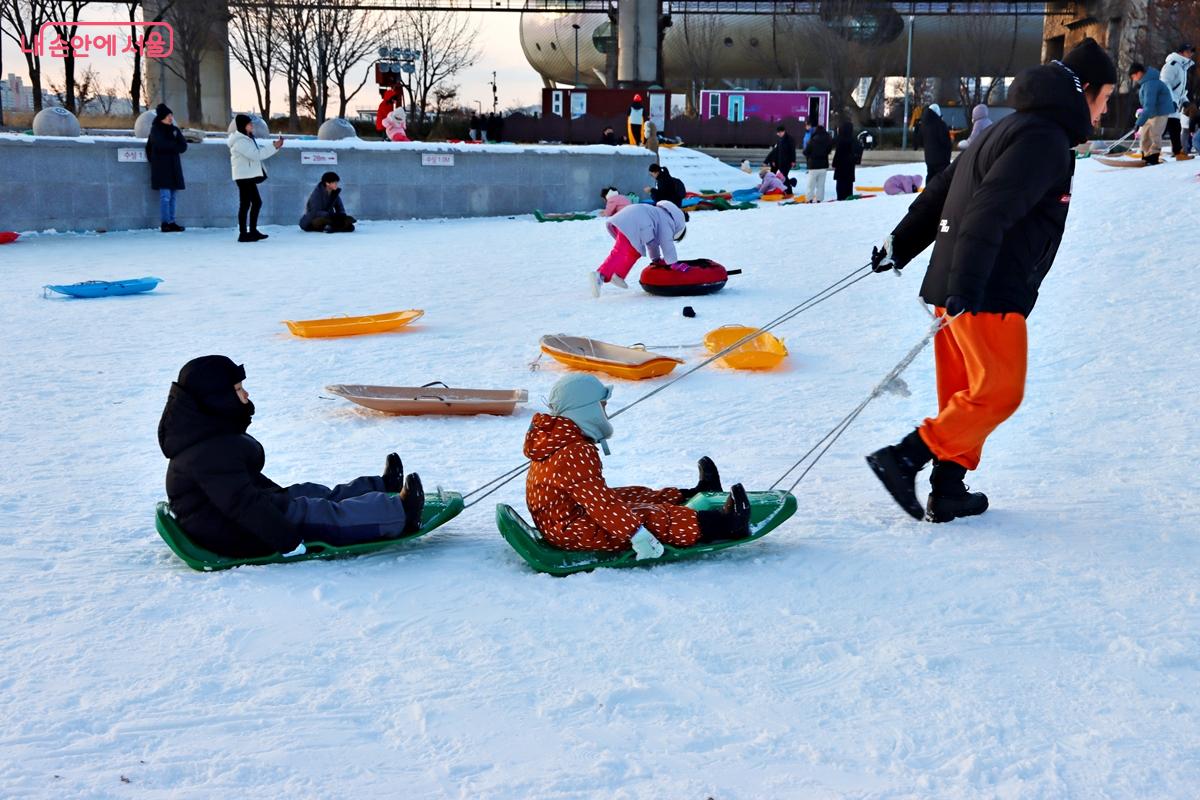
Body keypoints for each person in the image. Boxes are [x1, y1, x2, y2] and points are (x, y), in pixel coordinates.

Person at [865, 37, 1116, 523]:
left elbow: (943, 189)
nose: (1105, 110)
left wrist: (902, 244)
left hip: (955, 286)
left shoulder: (1008, 128)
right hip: (984, 289)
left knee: (965, 395)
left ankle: (948, 487)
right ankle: (905, 458)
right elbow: (988, 210)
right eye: (1105, 98)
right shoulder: (1042, 140)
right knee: (998, 392)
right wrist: (970, 287)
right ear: (1084, 90)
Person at [158, 355, 426, 559]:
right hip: (236, 533)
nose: (246, 394)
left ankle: (381, 486)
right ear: (216, 400)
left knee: (309, 492)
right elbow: (242, 505)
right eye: (238, 390)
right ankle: (399, 513)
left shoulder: (205, 435)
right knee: (318, 514)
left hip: (239, 519)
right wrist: (286, 540)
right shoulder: (207, 453)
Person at [524, 374, 751, 554]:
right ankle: (721, 524)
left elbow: (598, 498)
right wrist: (637, 535)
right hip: (572, 531)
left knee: (631, 495)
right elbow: (602, 508)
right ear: (585, 410)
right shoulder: (573, 451)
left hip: (566, 520)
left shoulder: (560, 438)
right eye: (601, 406)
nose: (605, 412)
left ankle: (692, 494)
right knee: (649, 516)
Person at [589, 200, 687, 296]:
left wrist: (656, 259)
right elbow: (667, 244)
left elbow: (652, 242)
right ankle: (600, 275)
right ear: (678, 230)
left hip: (628, 218)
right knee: (620, 251)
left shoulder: (660, 214)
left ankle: (619, 275)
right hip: (633, 222)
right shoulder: (667, 222)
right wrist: (673, 263)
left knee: (634, 252)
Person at [227, 113, 283, 243]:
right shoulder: (240, 141)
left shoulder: (247, 138)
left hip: (247, 176)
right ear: (243, 126)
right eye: (249, 123)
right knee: (246, 204)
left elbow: (257, 151)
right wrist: (274, 146)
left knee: (255, 203)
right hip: (243, 176)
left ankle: (252, 231)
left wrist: (274, 145)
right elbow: (256, 155)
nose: (252, 125)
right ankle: (243, 233)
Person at [144, 103, 187, 233]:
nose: (171, 118)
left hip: (174, 166)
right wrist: (174, 146)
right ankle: (165, 222)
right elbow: (159, 145)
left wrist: (172, 146)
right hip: (161, 168)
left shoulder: (174, 130)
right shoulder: (156, 129)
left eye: (171, 115)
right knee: (165, 196)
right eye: (169, 115)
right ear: (163, 116)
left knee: (173, 196)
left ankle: (172, 222)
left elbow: (183, 146)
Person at [1130, 62, 1175, 165]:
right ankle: (1146, 155)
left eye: (1133, 76)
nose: (1133, 79)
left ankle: (1153, 156)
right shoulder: (1145, 83)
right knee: (1145, 134)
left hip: (1160, 112)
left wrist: (1138, 123)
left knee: (1155, 133)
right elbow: (1147, 106)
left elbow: (1149, 105)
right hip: (1151, 113)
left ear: (1139, 73)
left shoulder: (1151, 84)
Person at [1160, 43, 1195, 159]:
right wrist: (1172, 100)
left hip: (1175, 106)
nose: (1191, 54)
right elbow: (1165, 83)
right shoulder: (1172, 65)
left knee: (1175, 128)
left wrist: (1185, 101)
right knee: (1160, 129)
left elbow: (1179, 89)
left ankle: (1178, 153)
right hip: (1166, 104)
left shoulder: (1182, 68)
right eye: (1188, 51)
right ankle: (1148, 151)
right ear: (1181, 52)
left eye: (1191, 52)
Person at [802, 122, 834, 202]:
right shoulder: (828, 141)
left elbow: (805, 152)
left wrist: (810, 156)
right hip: (823, 165)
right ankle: (819, 199)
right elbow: (829, 150)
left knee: (811, 185)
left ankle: (809, 199)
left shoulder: (812, 141)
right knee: (821, 185)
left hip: (813, 166)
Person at [831, 121, 863, 201]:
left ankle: (841, 198)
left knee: (840, 184)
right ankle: (848, 197)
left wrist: (834, 164)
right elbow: (859, 149)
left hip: (841, 167)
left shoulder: (841, 139)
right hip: (850, 166)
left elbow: (838, 154)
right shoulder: (853, 139)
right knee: (849, 184)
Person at [921, 103, 952, 179]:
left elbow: (921, 140)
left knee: (930, 176)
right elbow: (945, 141)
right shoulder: (940, 124)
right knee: (943, 179)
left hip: (929, 157)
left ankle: (928, 190)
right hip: (941, 159)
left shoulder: (924, 125)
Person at [765, 125, 797, 192]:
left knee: (783, 176)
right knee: (783, 176)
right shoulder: (780, 139)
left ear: (783, 132)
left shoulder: (790, 139)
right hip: (780, 161)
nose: (778, 134)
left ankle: (789, 191)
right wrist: (772, 160)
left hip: (787, 162)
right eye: (777, 133)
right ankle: (791, 183)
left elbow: (792, 150)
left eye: (779, 133)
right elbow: (775, 151)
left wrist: (793, 161)